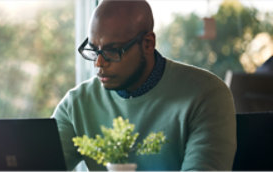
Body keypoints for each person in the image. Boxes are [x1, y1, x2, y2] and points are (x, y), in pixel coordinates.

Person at [52, 0, 236, 171]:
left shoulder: (206, 94)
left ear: (148, 43)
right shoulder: (76, 104)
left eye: (112, 50)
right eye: (94, 49)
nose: (99, 63)